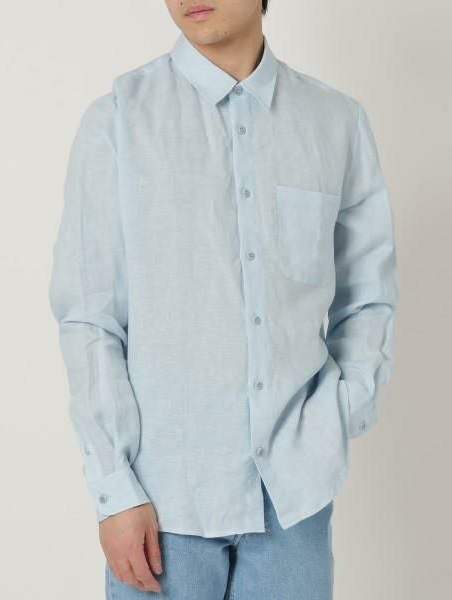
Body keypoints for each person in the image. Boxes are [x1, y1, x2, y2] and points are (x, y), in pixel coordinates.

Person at [48, 0, 399, 598]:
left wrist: (340, 412)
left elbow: (368, 295)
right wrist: (114, 488)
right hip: (160, 506)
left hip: (294, 501)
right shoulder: (119, 120)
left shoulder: (334, 122)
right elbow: (89, 316)